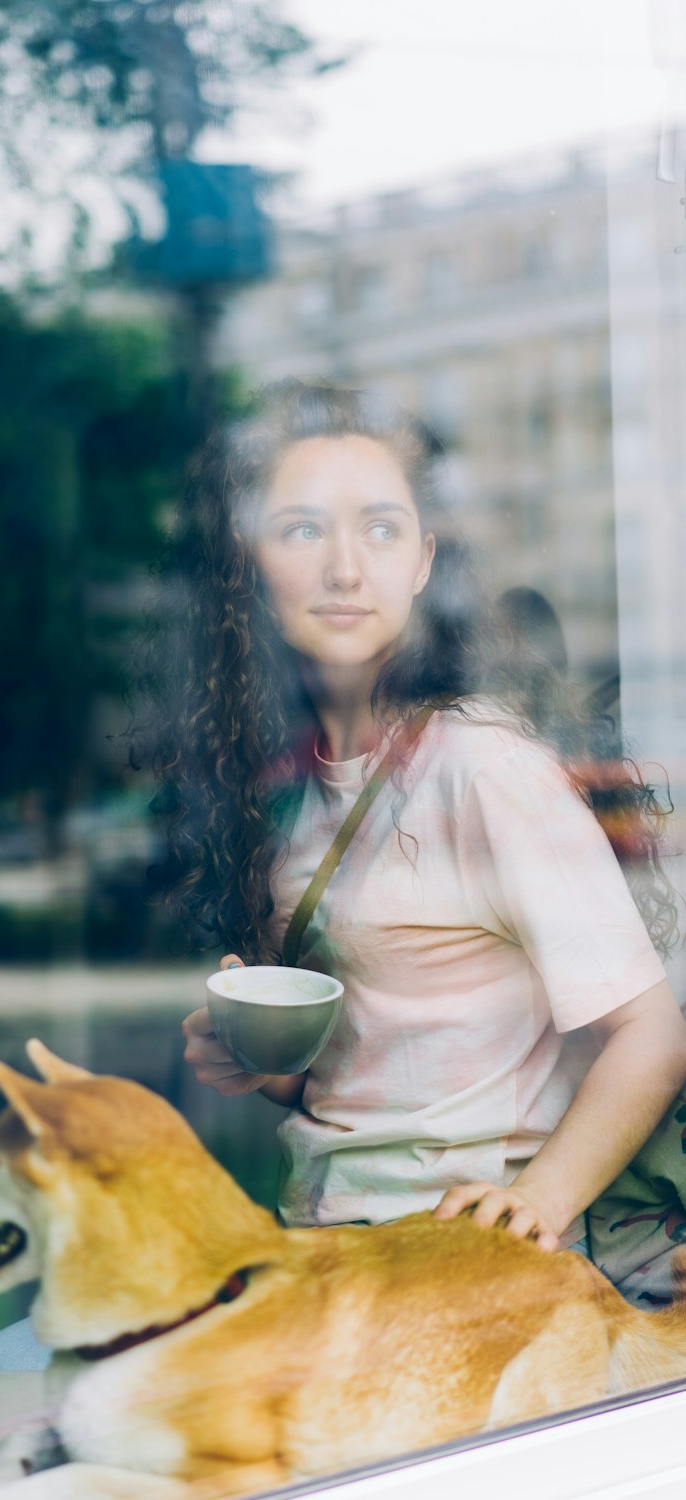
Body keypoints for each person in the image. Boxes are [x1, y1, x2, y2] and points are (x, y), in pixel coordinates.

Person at [165, 381, 686, 1294]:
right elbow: (371, 1080)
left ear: (423, 563)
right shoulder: (292, 787)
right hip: (336, 1248)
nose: (343, 568)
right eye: (300, 530)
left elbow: (651, 1034)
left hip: (466, 1272)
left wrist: (542, 1203)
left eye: (379, 529)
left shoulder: (481, 767)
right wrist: (261, 1065)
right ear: (251, 565)